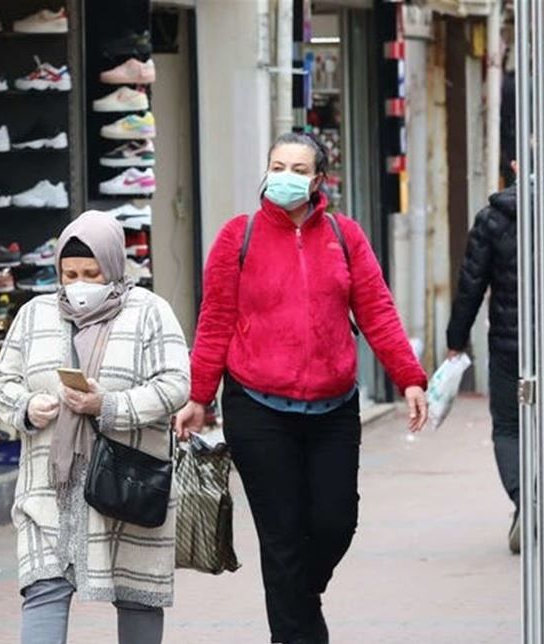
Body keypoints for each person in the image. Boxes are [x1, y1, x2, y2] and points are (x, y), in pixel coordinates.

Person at [174, 132, 429, 644]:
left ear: (317, 181)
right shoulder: (238, 236)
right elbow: (215, 319)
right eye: (277, 166)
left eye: (297, 169)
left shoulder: (343, 234)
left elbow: (377, 310)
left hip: (333, 409)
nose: (284, 176)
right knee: (282, 538)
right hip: (257, 408)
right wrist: (199, 395)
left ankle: (298, 600)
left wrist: (409, 377)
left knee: (336, 521)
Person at [0, 212, 190, 644]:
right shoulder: (35, 314)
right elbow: (1, 381)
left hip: (128, 479)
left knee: (137, 593)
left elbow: (175, 384)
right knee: (43, 584)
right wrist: (27, 407)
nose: (79, 284)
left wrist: (109, 405)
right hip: (50, 484)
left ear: (113, 267)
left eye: (92, 274)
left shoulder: (150, 312)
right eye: (70, 274)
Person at [446, 159, 544, 554]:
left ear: (515, 168)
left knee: (508, 427)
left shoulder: (491, 220)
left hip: (507, 346)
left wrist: (456, 339)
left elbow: (470, 284)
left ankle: (522, 500)